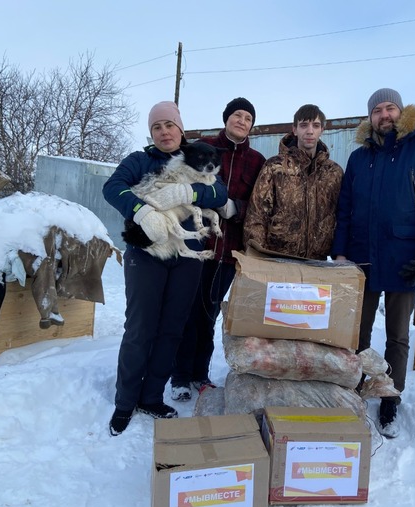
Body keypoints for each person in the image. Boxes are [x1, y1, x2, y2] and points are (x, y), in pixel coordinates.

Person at [332, 88, 415, 438]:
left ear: (401, 112)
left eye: (390, 108)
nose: (384, 115)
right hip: (363, 257)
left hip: (407, 256)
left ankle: (390, 396)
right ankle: (355, 387)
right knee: (356, 332)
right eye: (377, 110)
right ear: (369, 117)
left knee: (397, 335)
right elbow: (345, 209)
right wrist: (340, 253)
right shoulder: (360, 158)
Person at [102, 101, 227, 435]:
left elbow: (219, 190)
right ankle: (125, 402)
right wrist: (141, 210)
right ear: (151, 133)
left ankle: (151, 396)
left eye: (169, 125)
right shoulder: (139, 160)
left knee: (172, 327)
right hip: (146, 253)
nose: (164, 131)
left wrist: (191, 190)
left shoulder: (196, 155)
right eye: (157, 127)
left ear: (180, 129)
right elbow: (112, 187)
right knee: (141, 328)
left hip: (186, 256)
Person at [170, 97, 266, 401]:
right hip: (194, 244)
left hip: (227, 249)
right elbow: (179, 180)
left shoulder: (257, 160)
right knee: (186, 311)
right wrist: (212, 199)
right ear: (226, 118)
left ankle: (200, 374)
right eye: (237, 115)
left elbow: (261, 203)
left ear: (252, 125)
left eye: (247, 118)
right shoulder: (204, 146)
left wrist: (235, 207)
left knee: (209, 312)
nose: (241, 121)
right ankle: (180, 377)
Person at [244, 104, 343, 260]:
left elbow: (342, 216)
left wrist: (339, 253)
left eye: (315, 126)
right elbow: (256, 216)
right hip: (278, 260)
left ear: (322, 130)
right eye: (304, 125)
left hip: (318, 262)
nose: (309, 131)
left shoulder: (334, 172)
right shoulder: (275, 167)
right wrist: (259, 257)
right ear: (295, 129)